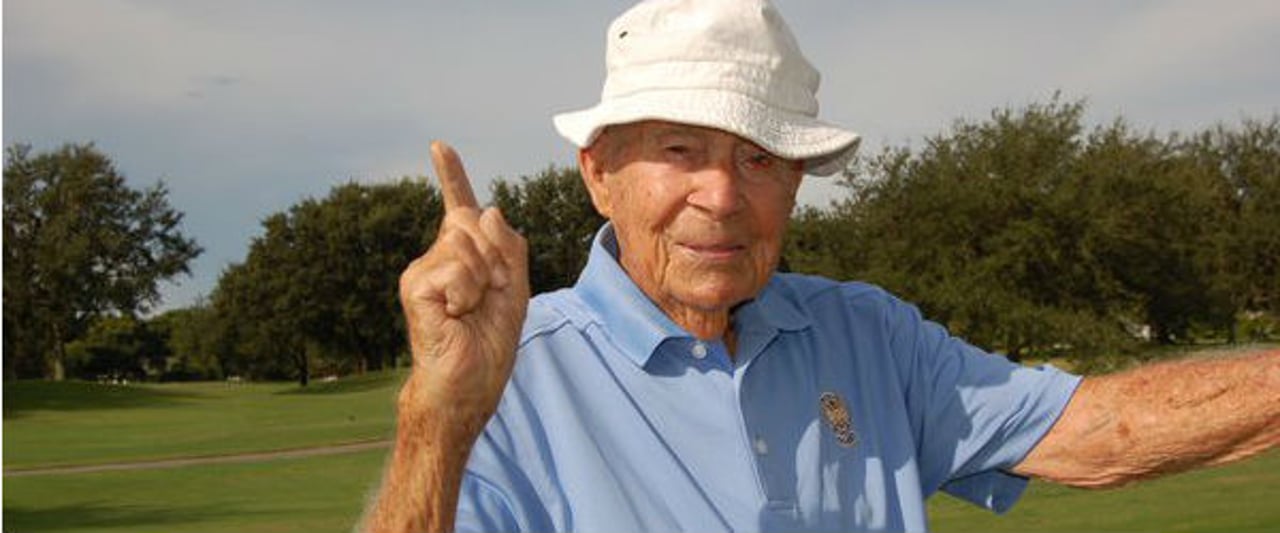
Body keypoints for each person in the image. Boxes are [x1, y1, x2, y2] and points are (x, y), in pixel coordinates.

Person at [361, 1, 1280, 531]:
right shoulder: (511, 374)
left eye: (761, 159)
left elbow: (1101, 430)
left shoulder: (866, 332)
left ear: (796, 182)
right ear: (599, 174)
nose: (723, 196)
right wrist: (435, 420)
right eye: (680, 150)